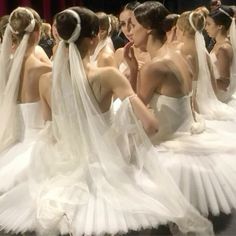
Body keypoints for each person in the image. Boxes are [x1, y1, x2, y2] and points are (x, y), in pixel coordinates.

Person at [0, 6, 213, 236]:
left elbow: (51, 129)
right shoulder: (107, 76)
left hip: (61, 173)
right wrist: (122, 136)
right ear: (93, 39)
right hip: (108, 173)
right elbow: (151, 125)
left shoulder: (45, 81)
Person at [128, 1, 236, 217]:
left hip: (168, 144)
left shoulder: (155, 65)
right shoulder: (176, 55)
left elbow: (136, 111)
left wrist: (132, 72)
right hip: (185, 134)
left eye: (132, 25)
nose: (129, 32)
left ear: (148, 28)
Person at [0, 7, 51, 193]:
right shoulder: (42, 69)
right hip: (36, 142)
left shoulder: (7, 67)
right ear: (37, 34)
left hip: (16, 141)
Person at [206, 6, 236, 103]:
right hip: (212, 90)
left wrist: (203, 78)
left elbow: (224, 83)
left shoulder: (223, 49)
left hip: (218, 95)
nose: (205, 28)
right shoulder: (218, 44)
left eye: (209, 24)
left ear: (219, 26)